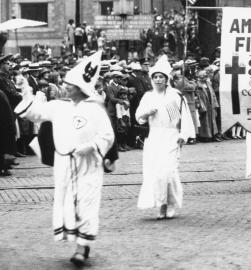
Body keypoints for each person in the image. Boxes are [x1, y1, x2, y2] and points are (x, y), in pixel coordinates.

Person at [14, 51, 114, 266]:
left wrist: (90, 147)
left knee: (86, 202)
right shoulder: (58, 106)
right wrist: (26, 92)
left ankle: (82, 246)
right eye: (66, 83)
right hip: (64, 164)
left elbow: (107, 135)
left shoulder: (95, 109)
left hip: (88, 164)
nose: (65, 86)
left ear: (81, 88)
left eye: (70, 84)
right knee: (68, 202)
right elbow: (35, 113)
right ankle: (75, 237)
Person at [136, 55, 195, 219]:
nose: (158, 80)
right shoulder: (148, 96)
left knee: (168, 173)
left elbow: (182, 118)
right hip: (154, 137)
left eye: (161, 77)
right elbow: (139, 117)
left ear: (166, 78)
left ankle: (171, 203)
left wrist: (183, 135)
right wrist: (146, 113)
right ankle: (161, 205)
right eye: (155, 77)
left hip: (170, 136)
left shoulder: (174, 96)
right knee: (155, 173)